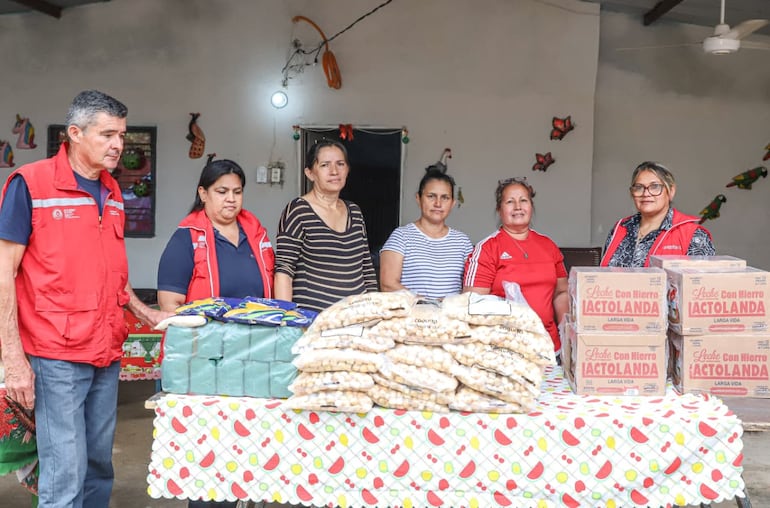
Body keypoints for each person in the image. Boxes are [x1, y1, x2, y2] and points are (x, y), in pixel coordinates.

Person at [0, 89, 169, 508]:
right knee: (64, 473)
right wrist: (13, 360)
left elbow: (109, 276)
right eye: (107, 134)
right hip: (55, 353)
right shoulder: (31, 184)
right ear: (74, 133)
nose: (118, 145)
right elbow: (4, 274)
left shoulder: (112, 193)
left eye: (122, 135)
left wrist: (145, 312)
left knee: (98, 466)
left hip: (106, 350)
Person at [157, 158, 274, 508]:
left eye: (237, 192)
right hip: (206, 365)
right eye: (221, 191)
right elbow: (170, 305)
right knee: (210, 463)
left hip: (252, 359)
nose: (231, 199)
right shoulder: (186, 239)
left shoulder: (256, 235)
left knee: (247, 457)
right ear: (203, 194)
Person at [463, 177, 568, 353]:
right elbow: (472, 304)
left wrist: (567, 333)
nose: (518, 207)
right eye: (510, 202)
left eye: (523, 200)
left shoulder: (548, 246)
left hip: (549, 347)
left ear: (531, 206)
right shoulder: (488, 248)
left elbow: (562, 292)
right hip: (505, 349)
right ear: (499, 209)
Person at [275, 140, 377, 311]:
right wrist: (287, 319)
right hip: (312, 321)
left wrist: (374, 311)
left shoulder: (355, 212)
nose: (334, 171)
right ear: (310, 173)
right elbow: (284, 271)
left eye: (340, 164)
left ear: (347, 170)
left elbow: (366, 268)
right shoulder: (298, 210)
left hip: (356, 320)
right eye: (325, 165)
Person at [601, 161, 715, 267]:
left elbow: (704, 285)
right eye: (639, 187)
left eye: (655, 186)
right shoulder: (620, 228)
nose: (646, 193)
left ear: (671, 191)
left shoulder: (693, 235)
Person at [379, 169, 472, 298]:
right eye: (431, 196)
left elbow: (472, 287)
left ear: (452, 203)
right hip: (413, 315)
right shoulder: (401, 236)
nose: (438, 203)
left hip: (452, 316)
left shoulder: (462, 242)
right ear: (418, 198)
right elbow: (388, 284)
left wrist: (450, 305)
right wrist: (427, 304)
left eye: (445, 198)